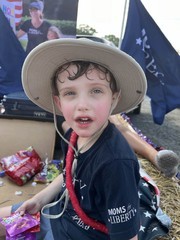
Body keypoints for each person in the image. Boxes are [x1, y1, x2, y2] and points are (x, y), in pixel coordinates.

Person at [0, 38, 148, 239]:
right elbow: (70, 172)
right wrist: (39, 199)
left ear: (114, 99)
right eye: (70, 93)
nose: (82, 104)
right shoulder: (73, 135)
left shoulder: (116, 164)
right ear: (58, 103)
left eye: (96, 90)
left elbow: (128, 236)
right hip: (57, 211)